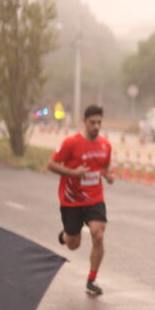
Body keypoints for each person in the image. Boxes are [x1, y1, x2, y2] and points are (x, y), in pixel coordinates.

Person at [47, 105, 113, 296]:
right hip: (71, 200)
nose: (96, 126)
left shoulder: (105, 145)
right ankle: (66, 235)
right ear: (84, 122)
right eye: (92, 122)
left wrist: (107, 175)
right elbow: (50, 164)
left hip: (94, 198)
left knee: (98, 235)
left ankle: (91, 280)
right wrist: (73, 173)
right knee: (73, 245)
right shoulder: (71, 143)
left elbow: (104, 167)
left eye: (99, 122)